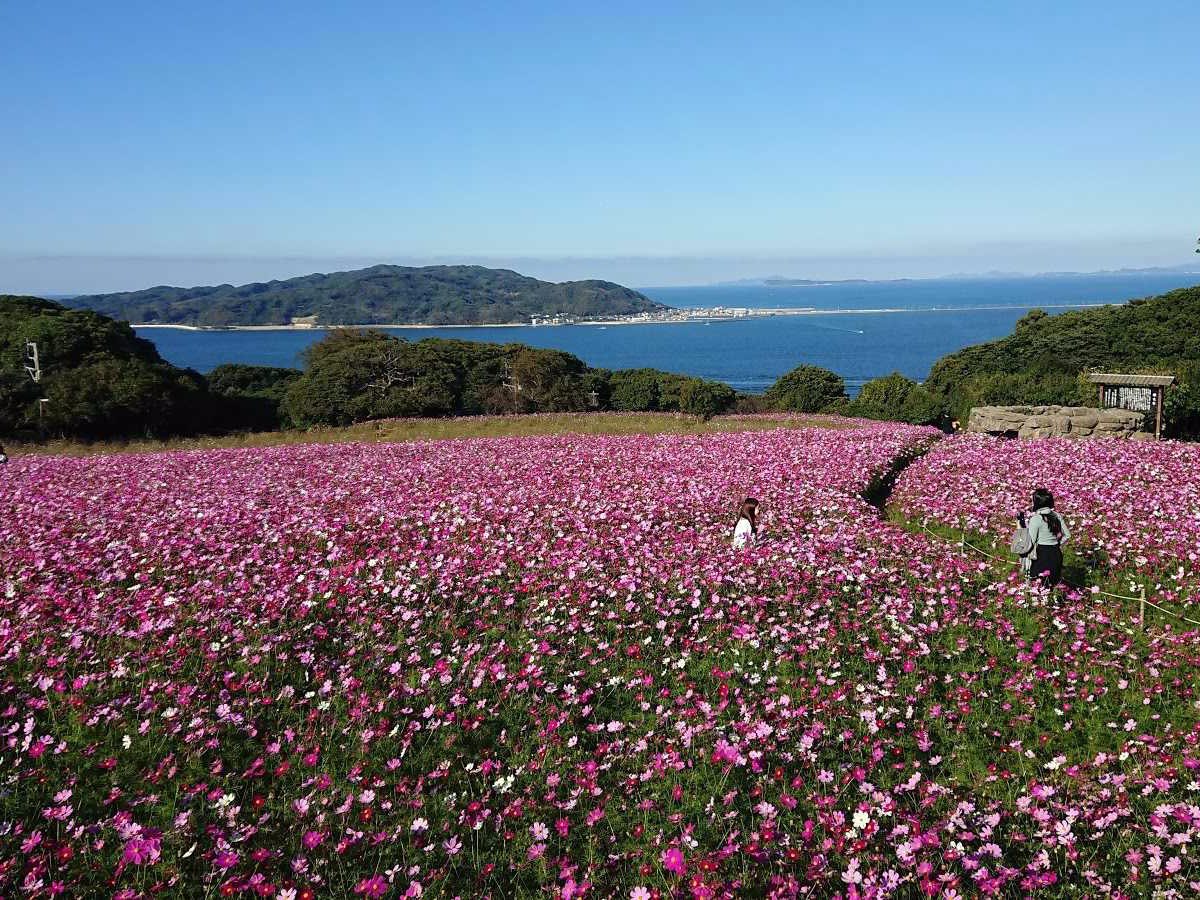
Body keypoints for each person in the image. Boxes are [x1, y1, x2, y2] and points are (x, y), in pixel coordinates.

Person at [1025, 487, 1070, 587]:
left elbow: (1030, 542)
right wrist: (1057, 543)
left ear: (1036, 503)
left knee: (1039, 585)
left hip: (1041, 555)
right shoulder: (1057, 516)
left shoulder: (1036, 519)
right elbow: (1067, 535)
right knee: (1054, 583)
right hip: (1056, 553)